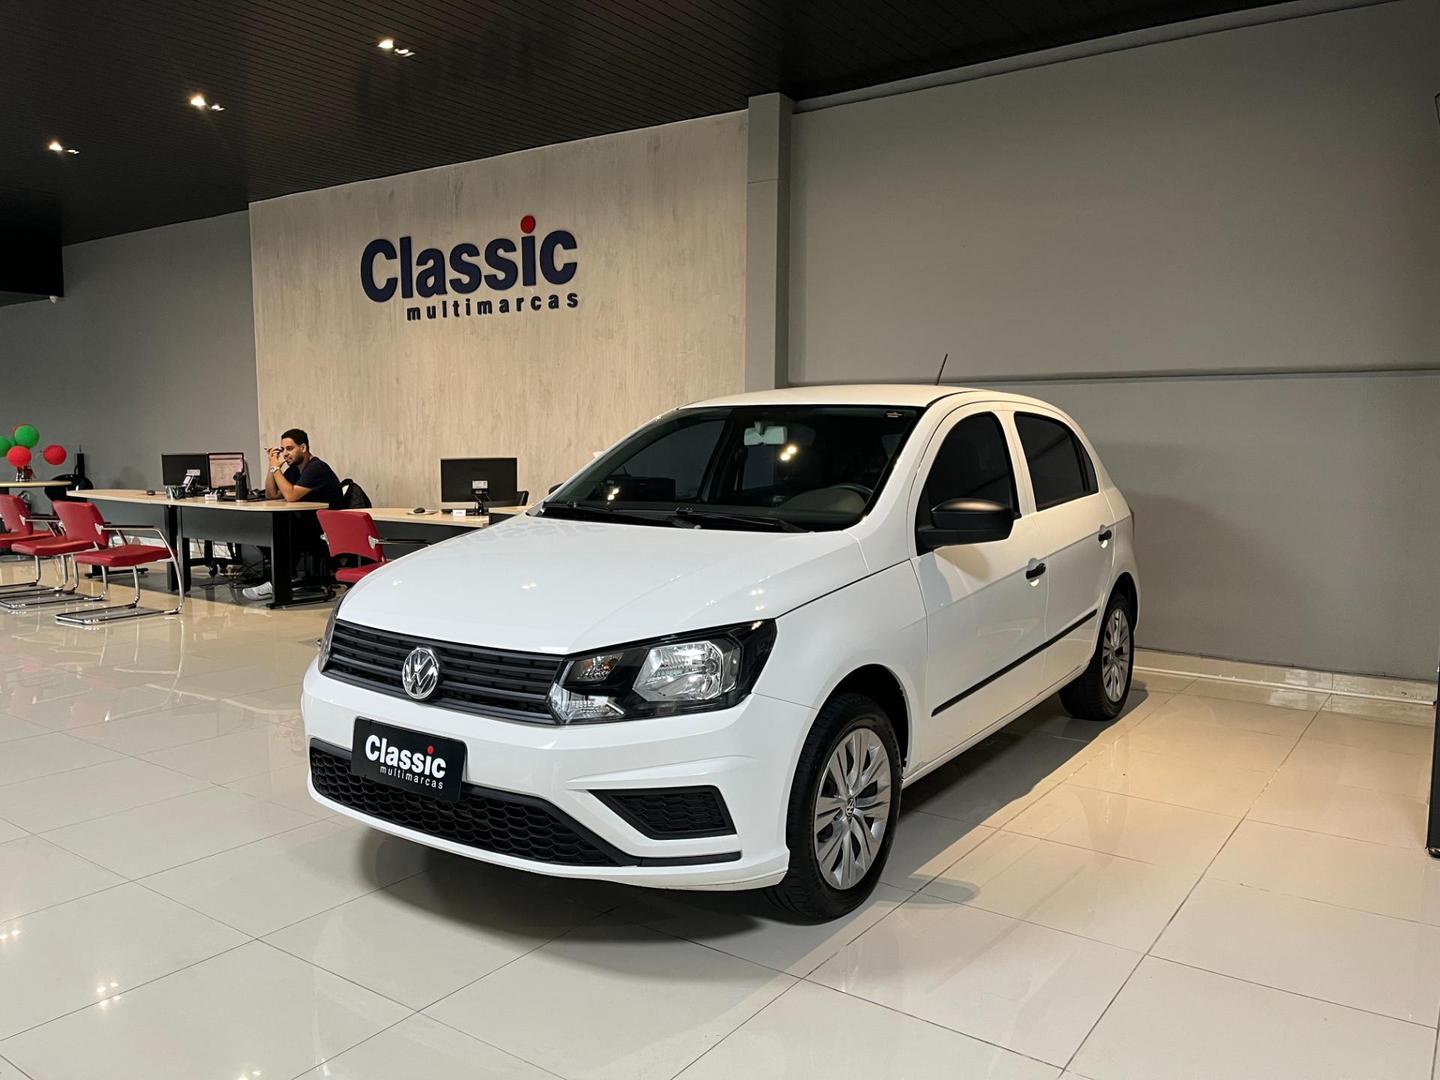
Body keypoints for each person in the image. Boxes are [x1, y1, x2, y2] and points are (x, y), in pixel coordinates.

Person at [241, 428, 343, 601]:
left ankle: (278, 582)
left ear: (303, 448)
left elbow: (290, 495)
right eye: (283, 450)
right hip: (308, 524)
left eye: (290, 449)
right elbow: (272, 494)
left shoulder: (316, 468)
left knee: (282, 531)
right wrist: (272, 467)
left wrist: (276, 469)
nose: (285, 454)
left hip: (326, 530)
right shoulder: (295, 469)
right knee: (262, 528)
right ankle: (284, 578)